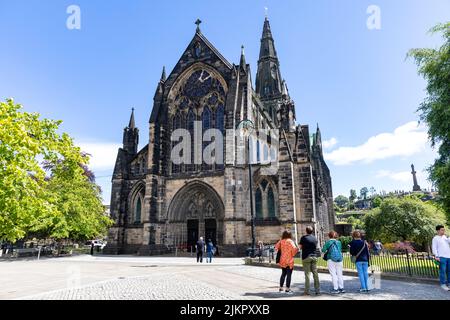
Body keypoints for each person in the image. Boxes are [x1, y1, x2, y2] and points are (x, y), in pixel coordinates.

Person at [299, 226, 320, 295]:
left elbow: (300, 247)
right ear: (312, 231)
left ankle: (307, 291)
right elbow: (315, 246)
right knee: (315, 274)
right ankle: (317, 290)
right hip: (314, 256)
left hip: (306, 257)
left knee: (307, 275)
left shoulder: (303, 238)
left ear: (306, 231)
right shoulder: (315, 238)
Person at [432, 225, 450, 291]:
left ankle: (449, 283)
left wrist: (448, 237)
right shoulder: (435, 238)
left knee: (449, 271)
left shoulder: (445, 237)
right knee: (442, 271)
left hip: (449, 256)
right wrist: (436, 256)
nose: (443, 231)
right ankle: (443, 284)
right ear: (438, 230)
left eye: (444, 230)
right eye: (442, 230)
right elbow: (434, 248)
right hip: (441, 257)